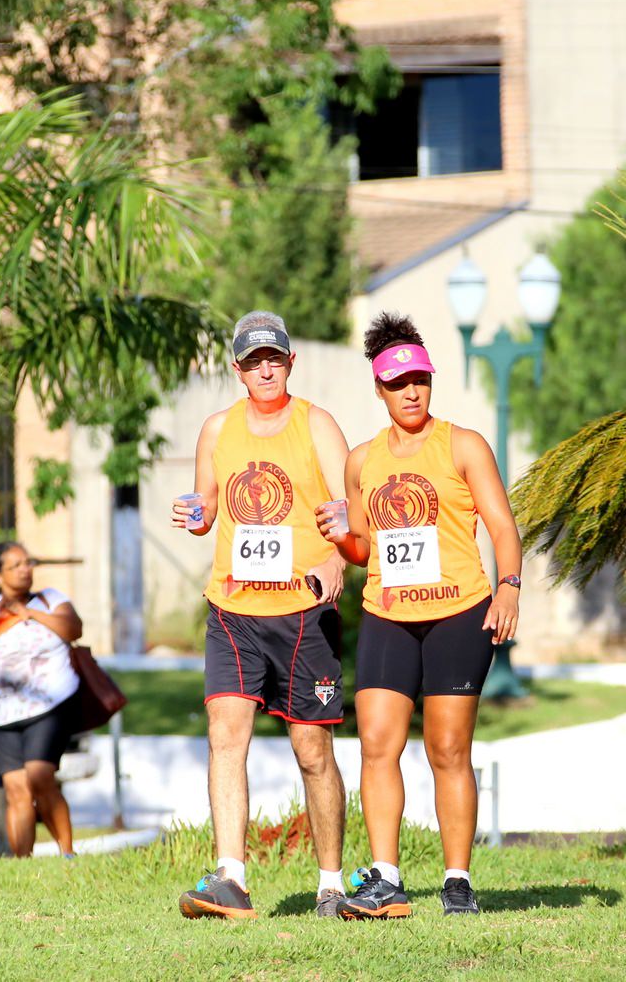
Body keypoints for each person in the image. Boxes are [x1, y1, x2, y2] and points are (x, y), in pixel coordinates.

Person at [318, 312, 521, 919]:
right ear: (379, 389)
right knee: (376, 744)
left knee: (447, 748)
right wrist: (340, 536)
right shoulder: (361, 461)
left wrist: (509, 588)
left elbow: (503, 528)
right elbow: (363, 549)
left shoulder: (463, 445)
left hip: (459, 613)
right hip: (387, 615)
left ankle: (457, 882)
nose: (411, 392)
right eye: (398, 383)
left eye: (420, 380)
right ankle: (386, 881)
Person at [170, 311, 351, 920]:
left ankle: (331, 884)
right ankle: (232, 878)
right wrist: (195, 514)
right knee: (225, 735)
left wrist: (336, 559)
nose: (265, 370)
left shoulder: (316, 424)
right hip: (234, 609)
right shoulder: (217, 429)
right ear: (238, 369)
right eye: (254, 362)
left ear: (290, 362)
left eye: (274, 358)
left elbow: (350, 513)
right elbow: (207, 508)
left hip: (302, 611)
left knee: (312, 750)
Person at [0, 541, 82, 858]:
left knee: (40, 776)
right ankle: (23, 862)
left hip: (49, 705)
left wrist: (30, 613)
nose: (25, 570)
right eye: (16, 565)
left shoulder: (51, 600)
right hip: (0, 714)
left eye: (28, 563)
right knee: (16, 789)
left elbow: (74, 629)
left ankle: (67, 854)